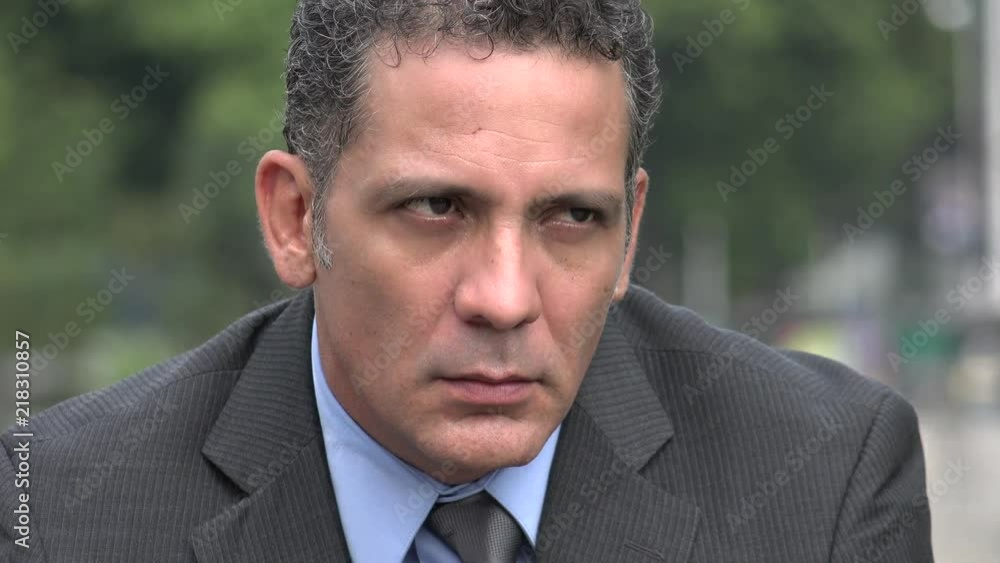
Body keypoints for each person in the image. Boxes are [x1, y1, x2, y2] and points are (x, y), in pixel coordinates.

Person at [1, 1, 933, 561]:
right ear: (295, 218)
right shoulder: (60, 516)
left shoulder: (825, 483)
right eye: (437, 208)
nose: (505, 297)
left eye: (573, 218)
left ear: (630, 232)